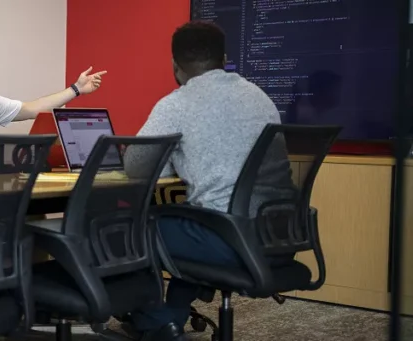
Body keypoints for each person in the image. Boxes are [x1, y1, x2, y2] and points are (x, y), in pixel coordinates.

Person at [121, 21, 296, 340]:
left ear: (175, 65)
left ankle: (152, 319)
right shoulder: (259, 97)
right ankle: (171, 316)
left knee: (133, 225)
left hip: (229, 240)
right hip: (279, 236)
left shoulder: (176, 104)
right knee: (189, 216)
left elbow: (135, 170)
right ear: (225, 58)